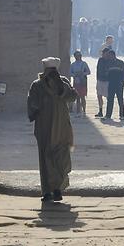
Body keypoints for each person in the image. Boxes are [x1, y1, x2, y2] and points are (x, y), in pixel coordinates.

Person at [27, 57, 77, 202]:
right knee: (46, 157)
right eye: (50, 71)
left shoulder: (64, 82)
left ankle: (57, 189)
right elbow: (32, 104)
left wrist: (61, 88)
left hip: (62, 127)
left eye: (53, 71)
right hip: (45, 127)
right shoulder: (37, 85)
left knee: (61, 157)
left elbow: (73, 97)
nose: (52, 73)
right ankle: (47, 191)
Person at [104, 49, 124, 121]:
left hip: (119, 83)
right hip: (111, 83)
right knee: (110, 99)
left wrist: (123, 81)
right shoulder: (108, 63)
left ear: (113, 55)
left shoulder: (120, 63)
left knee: (120, 99)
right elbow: (106, 72)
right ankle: (108, 115)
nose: (109, 57)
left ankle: (122, 115)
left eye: (110, 55)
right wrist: (107, 79)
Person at [94, 39, 114, 117]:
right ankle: (100, 110)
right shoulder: (100, 60)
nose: (103, 54)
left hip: (107, 81)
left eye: (104, 53)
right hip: (100, 80)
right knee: (99, 95)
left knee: (108, 96)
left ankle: (108, 112)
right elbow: (98, 70)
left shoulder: (110, 61)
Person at [69, 50, 91, 116]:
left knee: (83, 97)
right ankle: (78, 111)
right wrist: (75, 75)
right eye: (77, 56)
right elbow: (70, 73)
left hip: (82, 82)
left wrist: (82, 73)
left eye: (79, 55)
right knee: (77, 97)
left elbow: (88, 72)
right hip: (76, 82)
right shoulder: (73, 64)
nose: (78, 57)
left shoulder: (84, 64)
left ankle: (84, 110)